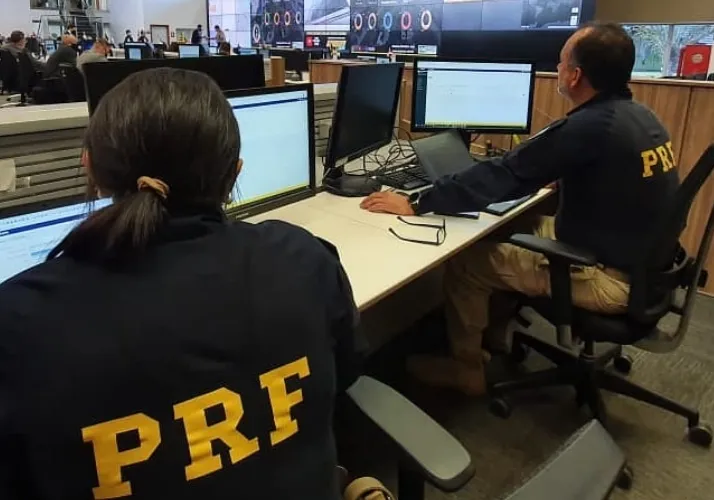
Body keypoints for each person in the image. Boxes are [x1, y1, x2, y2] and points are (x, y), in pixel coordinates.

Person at [0, 68, 361, 499]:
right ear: (235, 174)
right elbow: (346, 371)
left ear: (89, 167)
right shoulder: (305, 260)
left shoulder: (19, 324)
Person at [360, 22, 679, 396]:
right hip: (644, 267)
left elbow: (505, 175)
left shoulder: (589, 127)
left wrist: (418, 202)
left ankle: (466, 370)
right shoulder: (640, 117)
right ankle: (495, 335)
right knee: (513, 226)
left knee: (466, 262)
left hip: (610, 278)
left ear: (575, 76)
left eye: (561, 62)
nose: (557, 68)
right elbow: (617, 179)